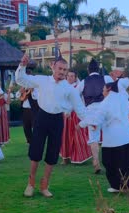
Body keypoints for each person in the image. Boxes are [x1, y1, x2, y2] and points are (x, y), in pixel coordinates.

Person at [15, 54, 87, 198]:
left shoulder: (69, 89)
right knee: (36, 152)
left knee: (53, 154)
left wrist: (89, 123)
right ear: (53, 67)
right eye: (60, 68)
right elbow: (20, 79)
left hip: (57, 121)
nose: (62, 72)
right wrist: (22, 66)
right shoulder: (42, 80)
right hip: (41, 117)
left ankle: (44, 185)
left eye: (65, 70)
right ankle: (30, 184)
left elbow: (80, 109)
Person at [79, 81, 129, 196]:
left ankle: (121, 186)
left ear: (109, 90)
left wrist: (81, 124)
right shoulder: (122, 98)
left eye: (103, 89)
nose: (102, 91)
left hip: (114, 139)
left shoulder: (105, 103)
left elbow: (97, 119)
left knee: (111, 163)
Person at [75, 59, 106, 173]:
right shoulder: (105, 79)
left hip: (91, 112)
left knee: (94, 138)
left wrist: (82, 109)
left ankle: (96, 161)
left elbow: (75, 95)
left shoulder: (83, 82)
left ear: (88, 70)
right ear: (98, 69)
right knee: (109, 135)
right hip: (105, 109)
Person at [60, 70, 92, 164]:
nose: (70, 78)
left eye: (72, 76)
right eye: (68, 76)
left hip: (75, 115)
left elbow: (79, 102)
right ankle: (65, 157)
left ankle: (78, 156)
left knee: (77, 136)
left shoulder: (77, 88)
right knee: (64, 136)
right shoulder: (63, 87)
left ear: (75, 78)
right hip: (64, 114)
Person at [15, 65, 39, 144]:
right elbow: (17, 96)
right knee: (26, 126)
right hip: (25, 109)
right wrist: (20, 91)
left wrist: (32, 91)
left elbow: (36, 97)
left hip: (33, 109)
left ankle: (36, 140)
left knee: (35, 125)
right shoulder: (23, 86)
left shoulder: (35, 86)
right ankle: (29, 141)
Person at [0, 81, 11, 146]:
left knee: (2, 125)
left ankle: (2, 141)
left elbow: (8, 102)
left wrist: (9, 93)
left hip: (2, 111)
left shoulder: (2, 93)